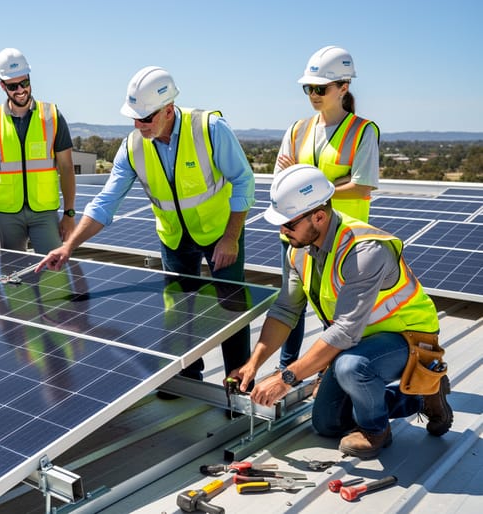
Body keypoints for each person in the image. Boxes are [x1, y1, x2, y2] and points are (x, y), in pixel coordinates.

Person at [36, 66, 256, 384]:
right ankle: (187, 378)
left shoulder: (209, 129)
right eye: (134, 119)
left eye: (146, 118)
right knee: (178, 310)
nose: (139, 125)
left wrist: (231, 237)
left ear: (169, 109)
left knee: (230, 307)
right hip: (174, 239)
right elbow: (105, 202)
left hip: (221, 232)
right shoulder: (132, 147)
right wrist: (69, 246)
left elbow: (244, 180)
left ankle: (239, 382)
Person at [230, 164, 451, 459]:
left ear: (319, 217)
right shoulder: (298, 250)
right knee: (327, 423)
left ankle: (375, 430)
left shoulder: (365, 250)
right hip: (359, 342)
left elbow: (345, 331)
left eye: (289, 224)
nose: (283, 231)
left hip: (408, 337)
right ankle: (422, 397)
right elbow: (285, 310)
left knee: (351, 367)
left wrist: (286, 378)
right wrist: (253, 364)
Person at [275, 46, 380, 369]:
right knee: (290, 305)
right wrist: (335, 184)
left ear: (343, 87)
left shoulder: (363, 131)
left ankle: (329, 373)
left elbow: (363, 185)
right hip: (297, 235)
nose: (313, 95)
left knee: (335, 311)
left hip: (341, 239)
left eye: (321, 89)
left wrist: (306, 185)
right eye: (309, 88)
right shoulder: (297, 130)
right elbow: (282, 181)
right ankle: (286, 368)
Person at [0, 47, 77, 255]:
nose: (21, 90)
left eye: (25, 83)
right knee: (12, 271)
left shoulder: (52, 116)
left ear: (29, 78)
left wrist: (69, 213)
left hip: (44, 211)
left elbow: (66, 168)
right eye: (13, 86)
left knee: (52, 269)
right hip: (7, 214)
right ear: (2, 86)